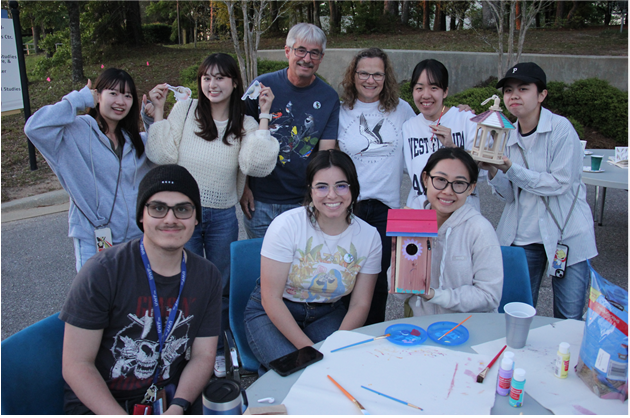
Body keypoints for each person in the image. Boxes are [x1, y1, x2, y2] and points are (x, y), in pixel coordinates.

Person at [144, 53, 279, 377]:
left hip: (221, 217)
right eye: (206, 77)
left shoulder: (244, 124)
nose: (212, 84)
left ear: (234, 82)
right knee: (181, 284)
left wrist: (262, 117)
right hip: (182, 215)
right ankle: (181, 350)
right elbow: (162, 155)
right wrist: (160, 111)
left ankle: (216, 350)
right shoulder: (186, 110)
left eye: (220, 77)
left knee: (218, 286)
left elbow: (255, 165)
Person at [60, 164, 222, 415]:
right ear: (140, 216)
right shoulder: (102, 272)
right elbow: (76, 365)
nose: (170, 219)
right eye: (158, 208)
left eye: (183, 209)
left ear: (196, 218)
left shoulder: (207, 274)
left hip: (172, 398)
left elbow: (203, 356)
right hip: (104, 404)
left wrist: (179, 406)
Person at [244, 150, 382, 371]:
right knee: (298, 371)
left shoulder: (369, 236)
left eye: (341, 185)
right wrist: (309, 351)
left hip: (327, 312)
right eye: (322, 186)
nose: (332, 195)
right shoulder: (286, 226)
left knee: (343, 368)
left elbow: (360, 304)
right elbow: (270, 299)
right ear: (310, 190)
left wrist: (338, 344)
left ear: (353, 189)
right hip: (274, 311)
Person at [480, 62, 597, 320]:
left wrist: (509, 167)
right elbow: (509, 196)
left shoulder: (561, 129)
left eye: (523, 89)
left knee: (568, 316)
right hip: (524, 235)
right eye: (509, 90)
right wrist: (493, 170)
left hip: (567, 235)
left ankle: (566, 361)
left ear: (542, 94)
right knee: (515, 311)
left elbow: (559, 183)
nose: (514, 96)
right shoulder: (505, 135)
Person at [24, 68, 152, 271]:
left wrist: (151, 121)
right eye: (113, 93)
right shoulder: (75, 132)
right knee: (99, 297)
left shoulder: (134, 140)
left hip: (137, 237)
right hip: (97, 237)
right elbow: (34, 128)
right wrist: (78, 99)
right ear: (97, 97)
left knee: (131, 297)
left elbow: (162, 157)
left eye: (127, 95)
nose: (120, 101)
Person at [337, 47, 416, 325]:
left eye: (377, 74)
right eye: (364, 73)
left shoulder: (402, 109)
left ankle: (372, 336)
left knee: (378, 277)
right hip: (349, 207)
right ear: (353, 75)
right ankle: (342, 334)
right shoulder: (342, 111)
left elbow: (425, 139)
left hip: (386, 209)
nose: (370, 80)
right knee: (345, 272)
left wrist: (456, 114)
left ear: (386, 77)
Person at [240, 23, 340, 238]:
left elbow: (325, 154)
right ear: (287, 51)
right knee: (261, 267)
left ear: (321, 57)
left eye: (315, 53)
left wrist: (318, 197)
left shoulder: (329, 97)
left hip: (302, 201)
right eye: (301, 50)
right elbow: (242, 141)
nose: (307, 58)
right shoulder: (261, 86)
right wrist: (243, 188)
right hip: (260, 201)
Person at [396, 147, 503, 316]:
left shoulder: (479, 229)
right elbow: (399, 293)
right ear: (425, 179)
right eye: (440, 180)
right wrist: (404, 245)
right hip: (422, 325)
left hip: (468, 327)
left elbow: (489, 296)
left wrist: (435, 295)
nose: (447, 191)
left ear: (471, 188)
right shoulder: (412, 223)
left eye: (459, 183)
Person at [403, 59, 480, 211]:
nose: (426, 95)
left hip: (460, 214)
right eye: (419, 88)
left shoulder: (465, 119)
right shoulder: (408, 126)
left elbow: (483, 170)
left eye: (433, 88)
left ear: (445, 91)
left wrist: (453, 147)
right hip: (421, 213)